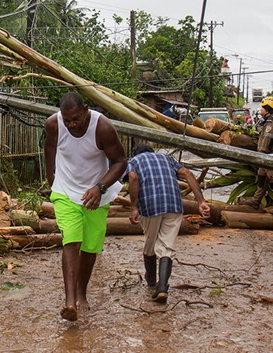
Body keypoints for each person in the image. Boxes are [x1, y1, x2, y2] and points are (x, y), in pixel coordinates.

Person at [44, 92, 127, 321]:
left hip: (96, 193)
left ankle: (81, 293)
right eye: (67, 120)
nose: (72, 125)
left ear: (85, 111)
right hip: (65, 191)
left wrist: (100, 188)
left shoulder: (103, 128)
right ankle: (69, 303)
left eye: (76, 119)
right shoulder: (54, 124)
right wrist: (52, 179)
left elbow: (120, 161)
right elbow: (49, 148)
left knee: (90, 247)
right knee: (71, 240)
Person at [125, 143, 210, 303]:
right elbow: (187, 174)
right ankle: (162, 286)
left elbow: (133, 177)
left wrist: (134, 207)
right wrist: (201, 202)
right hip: (173, 204)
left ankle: (151, 282)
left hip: (150, 205)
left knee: (150, 244)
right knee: (166, 247)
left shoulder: (134, 161)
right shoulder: (167, 158)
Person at [237, 97, 273, 215]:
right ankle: (256, 201)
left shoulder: (272, 122)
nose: (260, 110)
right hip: (267, 157)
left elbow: (268, 138)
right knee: (262, 178)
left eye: (262, 108)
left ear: (268, 109)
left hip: (270, 156)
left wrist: (261, 153)